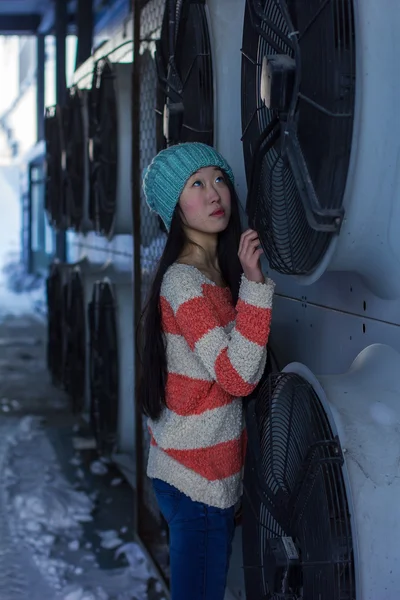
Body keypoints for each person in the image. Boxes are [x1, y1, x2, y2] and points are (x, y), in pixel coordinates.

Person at [139, 142, 275, 600]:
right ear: (174, 208)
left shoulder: (213, 275)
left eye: (218, 178)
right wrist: (256, 287)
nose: (214, 191)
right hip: (194, 483)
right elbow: (237, 378)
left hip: (207, 478)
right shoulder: (184, 281)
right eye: (195, 184)